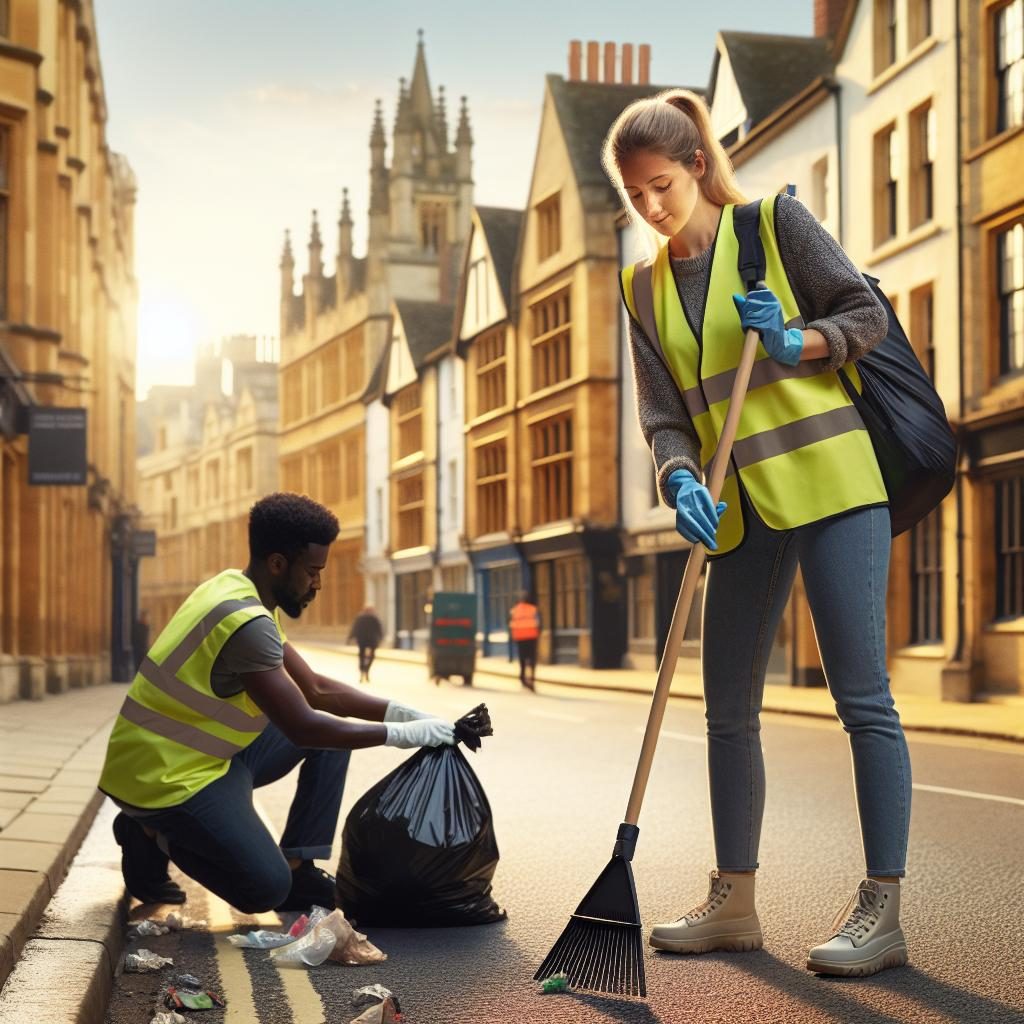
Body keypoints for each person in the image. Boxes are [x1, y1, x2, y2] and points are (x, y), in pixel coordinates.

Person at [604, 90, 912, 978]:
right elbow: (662, 415)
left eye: (662, 185)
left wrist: (800, 342)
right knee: (727, 712)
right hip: (732, 510)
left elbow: (866, 315)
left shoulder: (773, 225)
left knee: (862, 700)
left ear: (697, 163)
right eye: (636, 197)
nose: (653, 208)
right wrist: (677, 477)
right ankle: (733, 900)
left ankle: (880, 910)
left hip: (833, 482)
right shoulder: (641, 287)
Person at [98, 492, 455, 914]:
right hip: (166, 778)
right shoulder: (244, 623)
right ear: (278, 564)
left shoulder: (239, 590)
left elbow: (318, 689)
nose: (318, 583)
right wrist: (405, 734)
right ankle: (149, 831)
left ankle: (298, 864)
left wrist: (406, 712)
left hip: (209, 757)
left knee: (329, 745)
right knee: (265, 890)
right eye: (313, 571)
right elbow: (304, 725)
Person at [508, 592, 540, 691]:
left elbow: (510, 624)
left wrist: (513, 635)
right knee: (532, 658)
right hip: (532, 636)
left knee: (522, 658)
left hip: (520, 637)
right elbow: (539, 623)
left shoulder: (514, 610)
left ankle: (522, 677)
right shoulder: (534, 610)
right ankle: (532, 677)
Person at [348, 605, 384, 683]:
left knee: (361, 656)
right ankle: (366, 670)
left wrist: (350, 638)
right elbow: (380, 629)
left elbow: (354, 628)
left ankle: (362, 670)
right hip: (372, 640)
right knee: (371, 656)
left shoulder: (360, 618)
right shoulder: (374, 618)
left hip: (362, 640)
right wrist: (381, 638)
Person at [131, 609, 150, 674]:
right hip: (138, 650)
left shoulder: (147, 627)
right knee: (138, 666)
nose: (146, 619)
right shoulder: (138, 626)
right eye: (144, 617)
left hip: (144, 649)